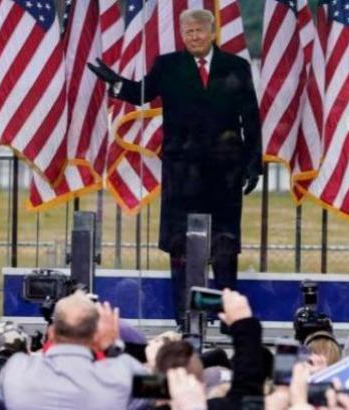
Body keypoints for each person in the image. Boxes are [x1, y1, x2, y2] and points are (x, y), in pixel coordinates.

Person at [88, 8, 262, 327]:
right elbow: (141, 93)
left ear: (212, 32)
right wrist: (116, 84)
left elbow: (250, 117)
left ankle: (229, 317)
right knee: (180, 245)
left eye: (199, 31)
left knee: (224, 247)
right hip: (181, 174)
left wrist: (253, 163)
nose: (194, 37)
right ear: (182, 35)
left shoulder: (236, 67)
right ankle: (185, 317)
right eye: (188, 32)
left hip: (224, 174)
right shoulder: (167, 66)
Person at [0, 293, 145, 409]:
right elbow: (158, 388)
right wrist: (114, 347)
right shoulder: (122, 375)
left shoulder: (17, 369)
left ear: (51, 333)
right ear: (96, 336)